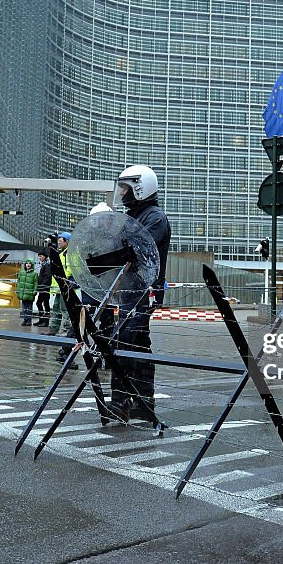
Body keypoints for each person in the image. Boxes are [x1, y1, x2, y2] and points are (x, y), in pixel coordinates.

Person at [104, 165, 170, 425]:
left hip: (142, 290)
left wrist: (100, 260)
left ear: (140, 188)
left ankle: (120, 402)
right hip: (131, 291)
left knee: (125, 340)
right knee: (139, 344)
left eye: (125, 188)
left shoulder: (154, 217)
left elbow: (136, 250)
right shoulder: (135, 217)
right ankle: (144, 402)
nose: (121, 194)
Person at [44, 232, 72, 337]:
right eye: (58, 241)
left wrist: (62, 277)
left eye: (61, 241)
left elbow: (70, 270)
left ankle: (67, 330)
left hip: (64, 286)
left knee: (65, 309)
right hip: (59, 287)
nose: (59, 243)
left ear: (67, 242)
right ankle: (53, 329)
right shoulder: (61, 253)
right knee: (56, 309)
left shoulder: (68, 254)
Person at [15, 259, 38, 326]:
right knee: (24, 308)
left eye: (29, 263)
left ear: (32, 265)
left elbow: (36, 283)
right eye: (27, 263)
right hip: (22, 293)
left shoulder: (34, 274)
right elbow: (19, 282)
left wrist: (35, 291)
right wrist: (18, 290)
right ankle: (25, 320)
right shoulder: (21, 273)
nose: (28, 264)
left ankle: (29, 321)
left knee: (29, 308)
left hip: (30, 293)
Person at [34, 250, 52, 327]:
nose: (39, 257)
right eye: (39, 256)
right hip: (42, 288)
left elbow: (48, 277)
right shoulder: (44, 264)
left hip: (45, 288)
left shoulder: (47, 265)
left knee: (45, 304)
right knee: (40, 303)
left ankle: (45, 321)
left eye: (41, 256)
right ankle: (41, 320)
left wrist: (43, 285)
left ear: (45, 257)